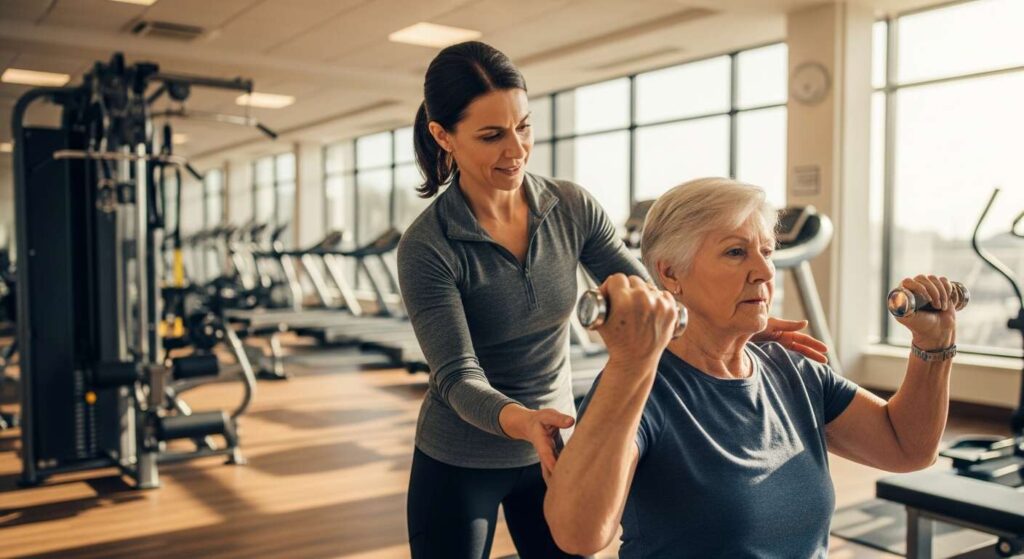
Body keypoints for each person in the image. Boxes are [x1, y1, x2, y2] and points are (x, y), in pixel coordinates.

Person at [398, 42, 828, 559]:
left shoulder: (570, 206)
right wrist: (523, 420)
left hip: (557, 447)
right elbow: (456, 377)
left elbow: (653, 296)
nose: (515, 150)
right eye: (491, 136)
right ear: (443, 135)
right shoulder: (428, 245)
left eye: (524, 127)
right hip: (462, 454)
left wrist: (737, 323)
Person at [543, 177, 960, 558]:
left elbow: (908, 447)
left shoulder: (793, 371)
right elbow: (578, 535)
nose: (762, 272)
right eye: (736, 252)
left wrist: (933, 344)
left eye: (766, 252)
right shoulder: (643, 387)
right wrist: (632, 362)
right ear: (670, 273)